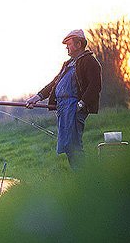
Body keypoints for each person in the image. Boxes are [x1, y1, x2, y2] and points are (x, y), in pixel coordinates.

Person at [25, 29, 102, 170]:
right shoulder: (68, 64)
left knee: (74, 146)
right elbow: (54, 83)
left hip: (74, 108)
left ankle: (84, 178)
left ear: (78, 44)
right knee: (68, 146)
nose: (67, 47)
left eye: (69, 44)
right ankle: (80, 177)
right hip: (63, 109)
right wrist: (37, 97)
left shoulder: (89, 61)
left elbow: (95, 86)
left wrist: (81, 104)